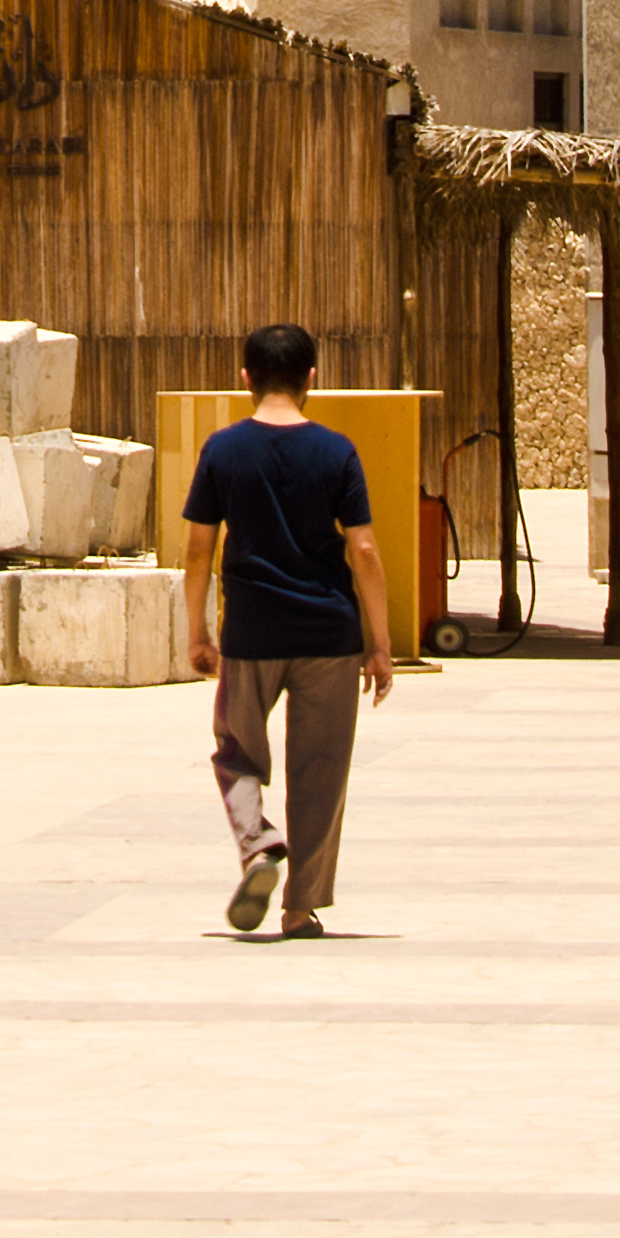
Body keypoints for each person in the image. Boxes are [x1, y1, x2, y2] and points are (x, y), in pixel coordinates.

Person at [178, 321, 393, 937]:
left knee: (237, 750)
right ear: (311, 380)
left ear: (244, 378)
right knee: (322, 769)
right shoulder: (336, 451)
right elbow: (366, 551)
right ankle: (301, 906)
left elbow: (198, 551)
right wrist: (379, 645)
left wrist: (198, 633)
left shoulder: (221, 450)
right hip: (329, 633)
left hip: (251, 631)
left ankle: (257, 845)